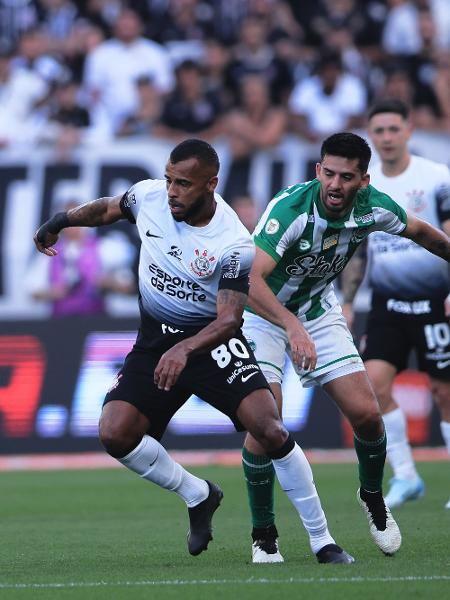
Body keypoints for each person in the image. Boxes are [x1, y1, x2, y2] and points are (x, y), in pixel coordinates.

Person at [33, 139, 353, 563]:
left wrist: (184, 349)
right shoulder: (150, 197)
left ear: (210, 184)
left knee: (269, 428)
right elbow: (108, 208)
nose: (171, 191)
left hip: (209, 343)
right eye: (169, 179)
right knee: (115, 432)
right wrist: (59, 221)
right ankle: (198, 495)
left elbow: (229, 320)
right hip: (155, 345)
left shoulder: (234, 241)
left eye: (183, 183)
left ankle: (322, 539)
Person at [241, 131, 450, 563]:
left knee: (368, 415)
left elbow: (425, 234)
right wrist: (291, 328)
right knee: (265, 424)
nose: (335, 185)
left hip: (317, 310)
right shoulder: (291, 209)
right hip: (264, 314)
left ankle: (372, 497)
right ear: (318, 170)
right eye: (329, 173)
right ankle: (264, 533)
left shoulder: (374, 207)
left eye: (347, 177)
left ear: (364, 181)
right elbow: (250, 281)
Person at [340, 99, 450, 509]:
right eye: (379, 131)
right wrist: (348, 301)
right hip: (387, 303)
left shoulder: (436, 177)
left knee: (444, 391)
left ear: (408, 131)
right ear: (371, 136)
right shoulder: (364, 186)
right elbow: (358, 249)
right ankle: (406, 476)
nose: (386, 138)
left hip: (436, 300)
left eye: (393, 129)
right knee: (373, 386)